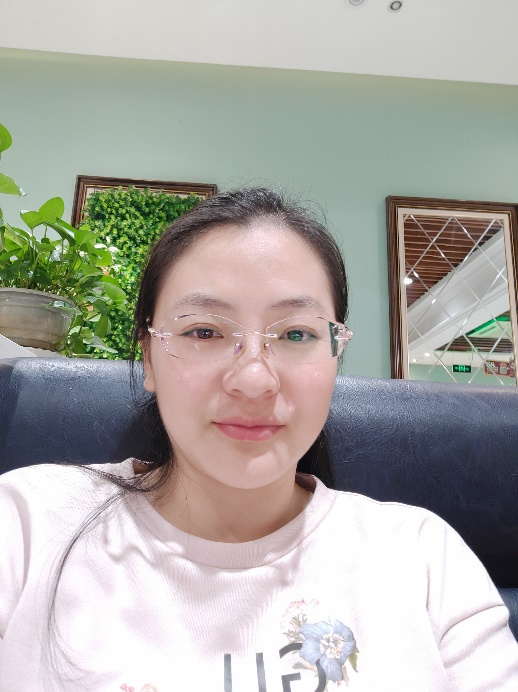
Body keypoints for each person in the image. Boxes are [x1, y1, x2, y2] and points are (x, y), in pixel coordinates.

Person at [0, 187, 517, 692]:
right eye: (204, 331)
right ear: (149, 359)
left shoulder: (421, 558)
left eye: (296, 334)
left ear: (334, 354)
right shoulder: (27, 524)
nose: (253, 380)